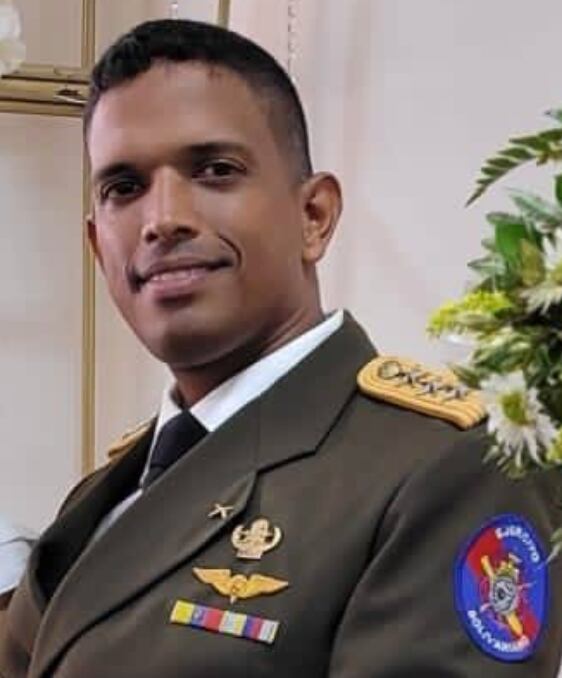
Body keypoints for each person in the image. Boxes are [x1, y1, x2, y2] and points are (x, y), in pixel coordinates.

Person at [1, 18, 561, 677]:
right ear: (99, 248)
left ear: (313, 217)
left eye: (215, 170)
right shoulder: (104, 494)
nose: (162, 219)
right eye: (124, 187)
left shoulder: (449, 470)